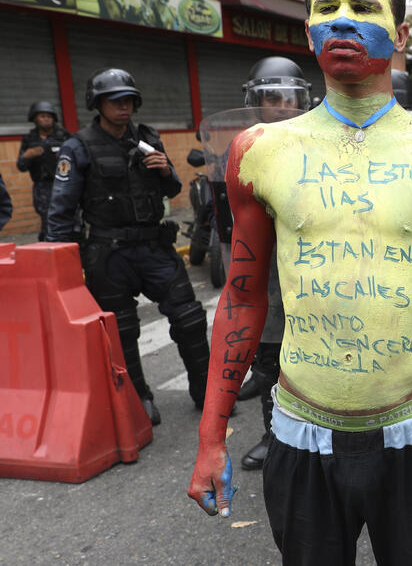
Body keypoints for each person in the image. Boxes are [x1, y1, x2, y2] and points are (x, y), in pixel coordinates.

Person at [187, 0, 412, 564]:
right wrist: (211, 437)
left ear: (400, 33)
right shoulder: (259, 152)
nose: (342, 18)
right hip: (299, 435)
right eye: (328, 7)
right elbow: (241, 297)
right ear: (309, 31)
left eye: (363, 7)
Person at [46, 68, 210, 425]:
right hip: (109, 254)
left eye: (128, 100)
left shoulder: (147, 138)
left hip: (154, 247)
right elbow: (60, 212)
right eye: (114, 100)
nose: (123, 107)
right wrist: (61, 268)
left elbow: (173, 188)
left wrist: (164, 170)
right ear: (97, 104)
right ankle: (139, 400)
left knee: (190, 318)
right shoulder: (78, 147)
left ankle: (206, 391)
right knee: (121, 331)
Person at [225, 56, 312, 470]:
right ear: (255, 102)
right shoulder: (244, 149)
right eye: (271, 98)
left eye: (288, 98)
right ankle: (273, 434)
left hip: (315, 266)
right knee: (268, 358)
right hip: (266, 266)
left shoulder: (321, 144)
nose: (282, 107)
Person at [17, 101, 71, 241]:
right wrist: (28, 156)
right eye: (42, 116)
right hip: (42, 187)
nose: (46, 119)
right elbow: (21, 166)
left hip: (63, 184)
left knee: (70, 218)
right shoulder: (30, 139)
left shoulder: (63, 136)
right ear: (35, 118)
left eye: (49, 116)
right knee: (48, 221)